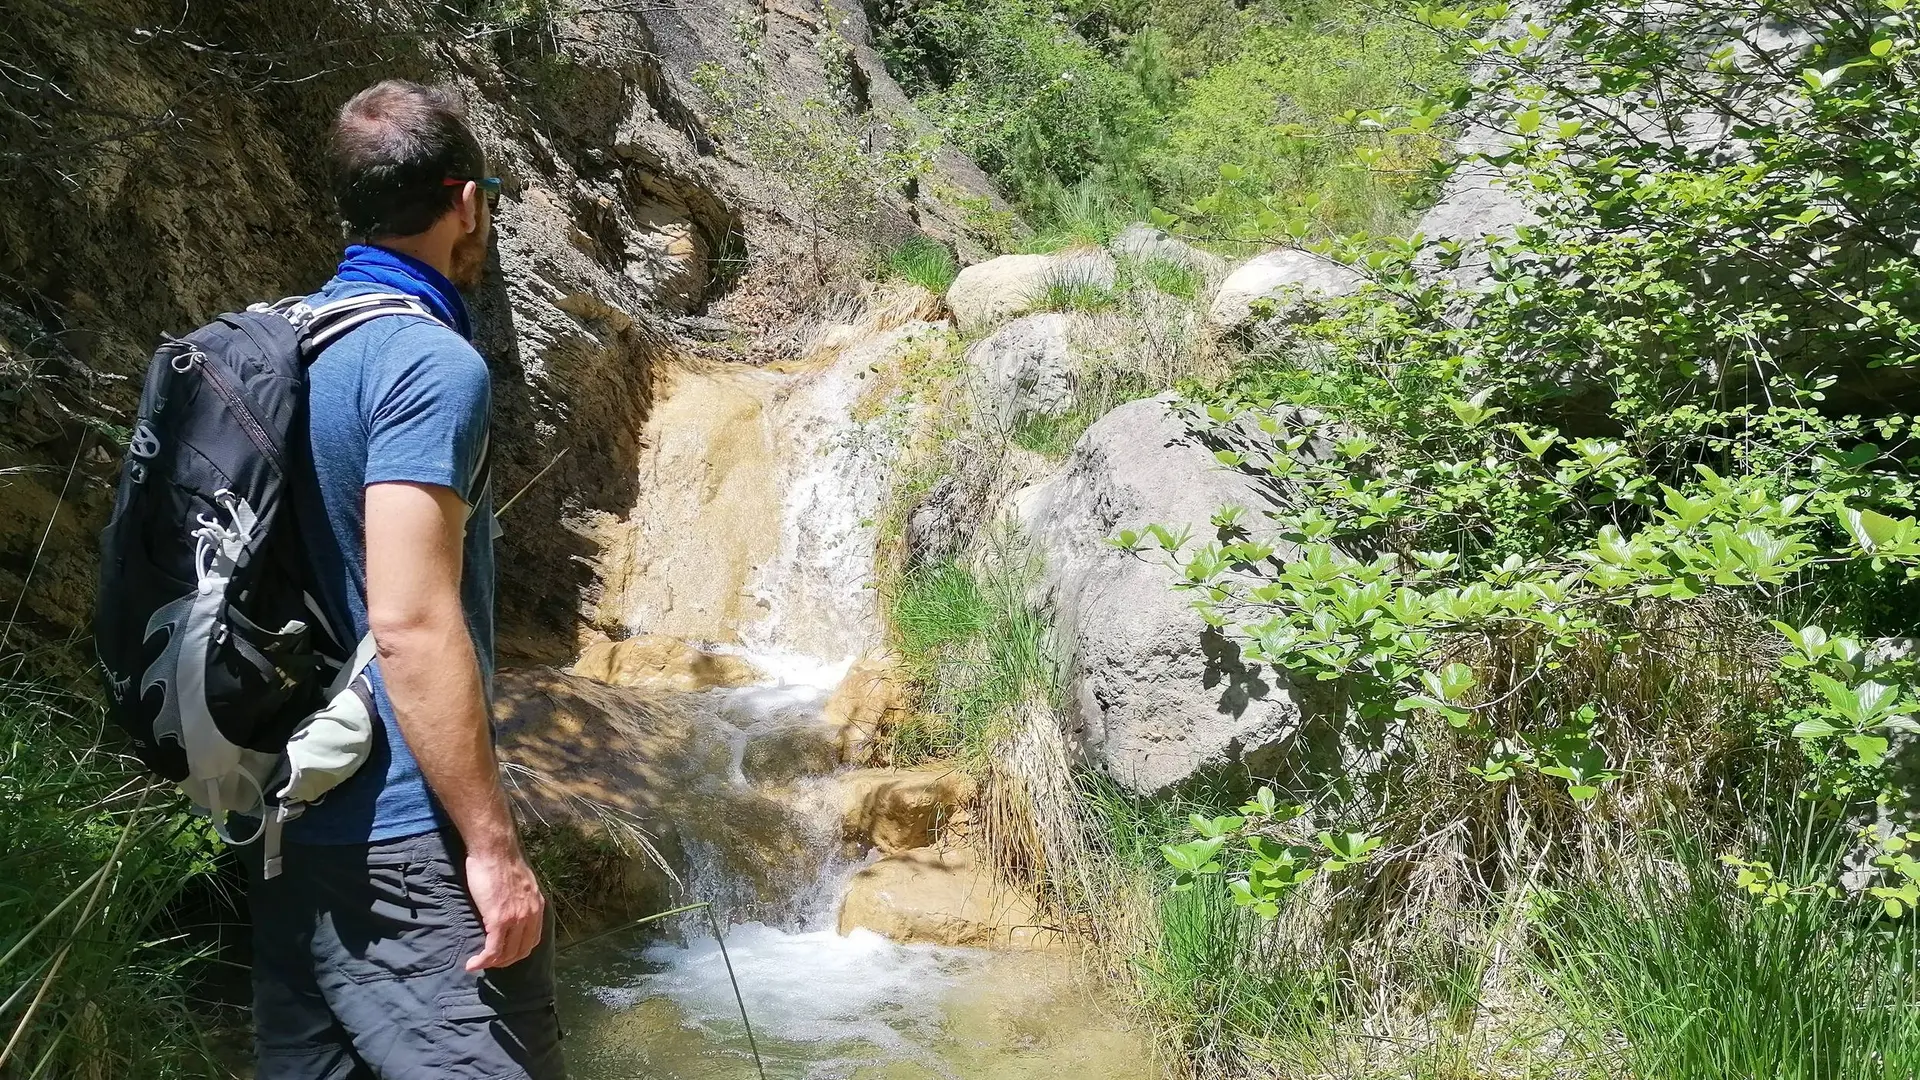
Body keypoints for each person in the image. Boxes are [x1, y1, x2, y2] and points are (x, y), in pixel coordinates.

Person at [245, 79, 563, 1080]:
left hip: (281, 826)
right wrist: (491, 846)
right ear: (467, 201)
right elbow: (412, 622)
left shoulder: (286, 344)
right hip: (399, 843)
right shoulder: (427, 363)